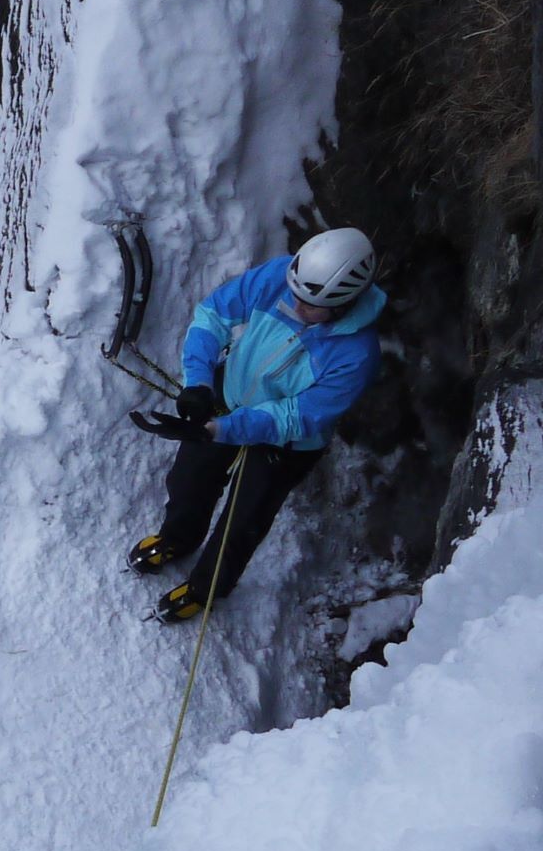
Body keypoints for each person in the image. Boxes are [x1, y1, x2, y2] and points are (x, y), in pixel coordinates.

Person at [129, 228, 385, 623]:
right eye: (295, 295)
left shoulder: (357, 355)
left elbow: (295, 417)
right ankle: (178, 538)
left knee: (244, 519)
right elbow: (213, 314)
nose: (296, 307)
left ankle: (206, 588)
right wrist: (198, 382)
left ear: (346, 303)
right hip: (227, 397)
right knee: (189, 480)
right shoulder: (280, 277)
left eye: (312, 306)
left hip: (288, 444)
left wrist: (218, 430)